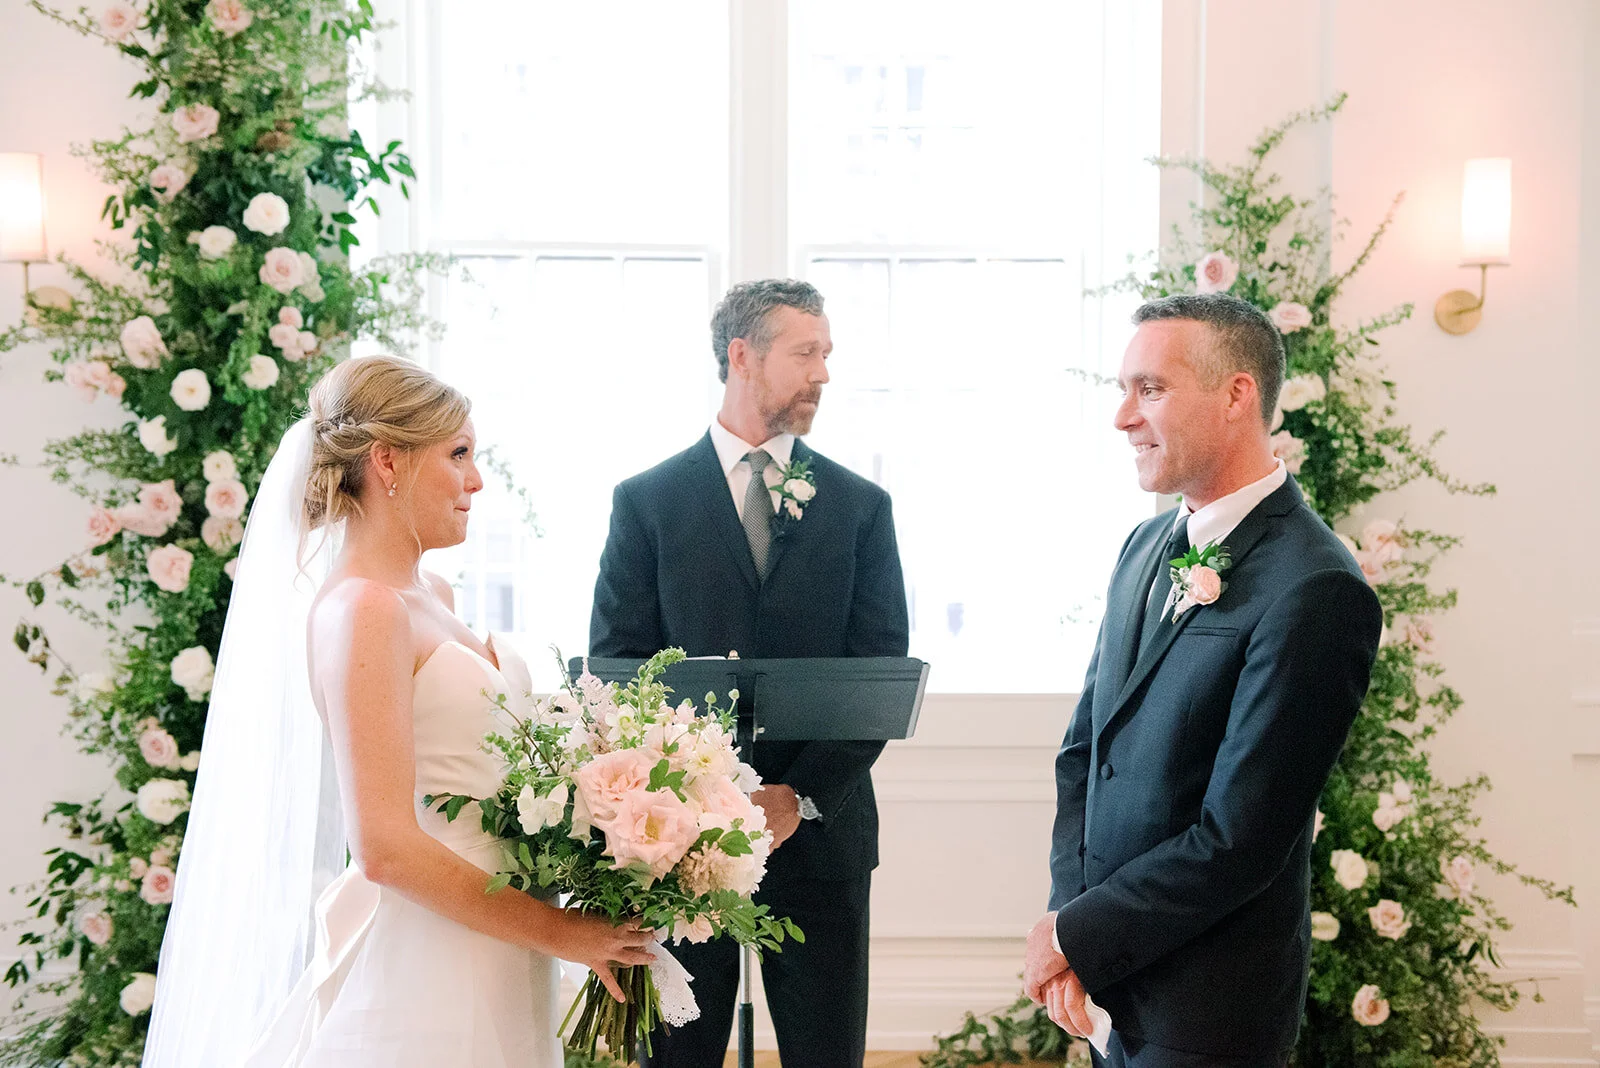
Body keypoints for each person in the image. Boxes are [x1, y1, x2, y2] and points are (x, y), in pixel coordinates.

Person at [142, 356, 656, 1068]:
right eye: (459, 455)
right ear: (388, 461)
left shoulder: (432, 596)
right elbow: (384, 844)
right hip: (435, 958)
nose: (476, 481)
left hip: (502, 946)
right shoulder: (363, 609)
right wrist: (561, 932)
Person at [1024, 295, 1382, 1067]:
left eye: (1150, 389)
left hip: (1207, 1013)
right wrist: (1069, 918)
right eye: (1124, 389)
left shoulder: (1317, 587)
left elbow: (1241, 839)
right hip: (1109, 986)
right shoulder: (1145, 545)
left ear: (1235, 396)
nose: (1124, 417)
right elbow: (1085, 751)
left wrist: (1075, 935)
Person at [590, 279, 909, 1067]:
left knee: (825, 1054)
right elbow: (616, 667)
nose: (824, 374)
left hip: (820, 837)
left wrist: (795, 798)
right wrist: (701, 799)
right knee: (677, 1055)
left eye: (827, 354)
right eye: (807, 353)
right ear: (742, 355)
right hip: (675, 846)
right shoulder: (646, 503)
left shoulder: (861, 507)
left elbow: (879, 672)